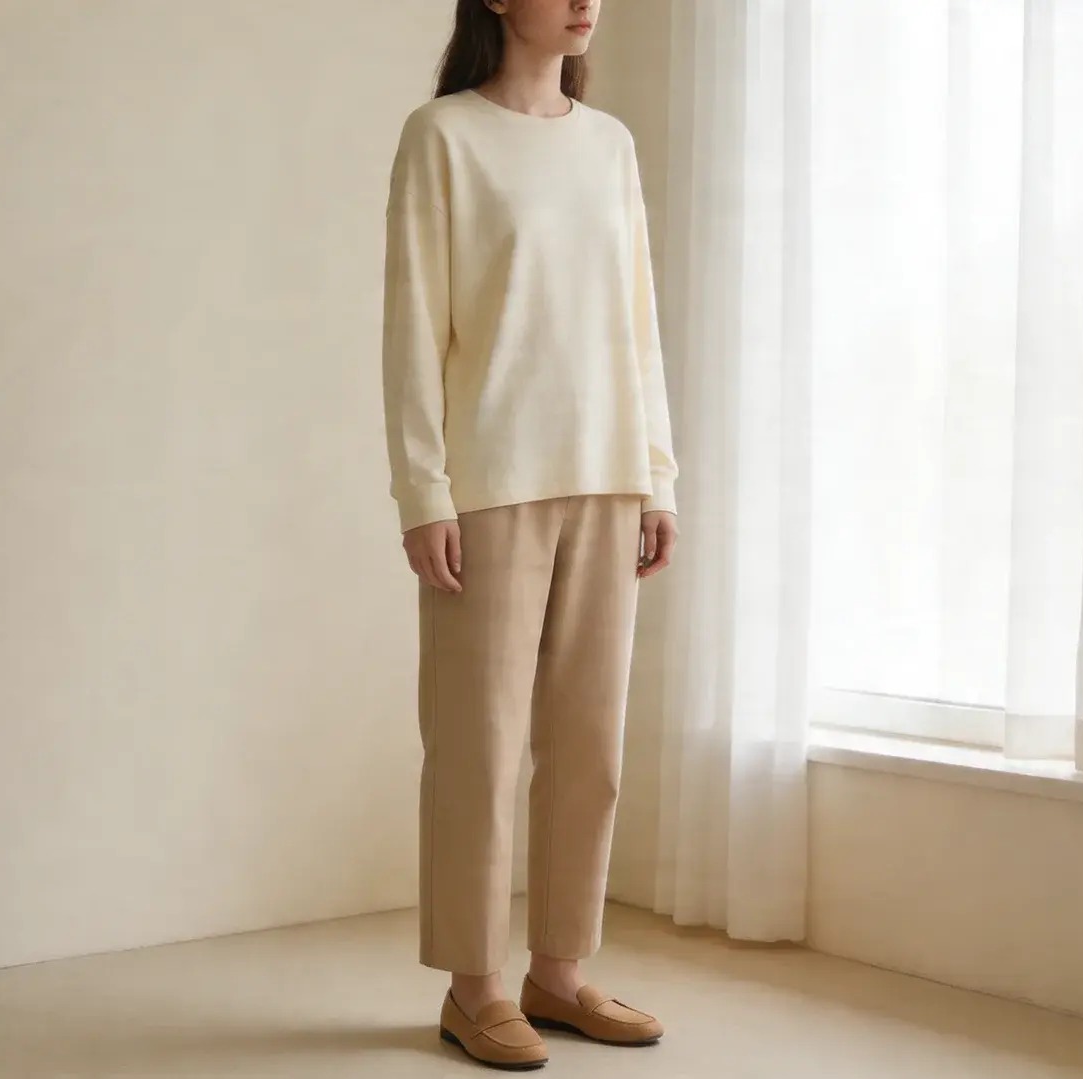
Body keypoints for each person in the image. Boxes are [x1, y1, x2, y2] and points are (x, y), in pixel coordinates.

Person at [380, 0, 679, 1069]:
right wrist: (424, 491)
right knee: (477, 747)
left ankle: (559, 973)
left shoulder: (610, 145)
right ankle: (474, 986)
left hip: (607, 474)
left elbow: (636, 318)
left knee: (589, 748)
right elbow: (415, 322)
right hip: (494, 483)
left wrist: (657, 473)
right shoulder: (444, 136)